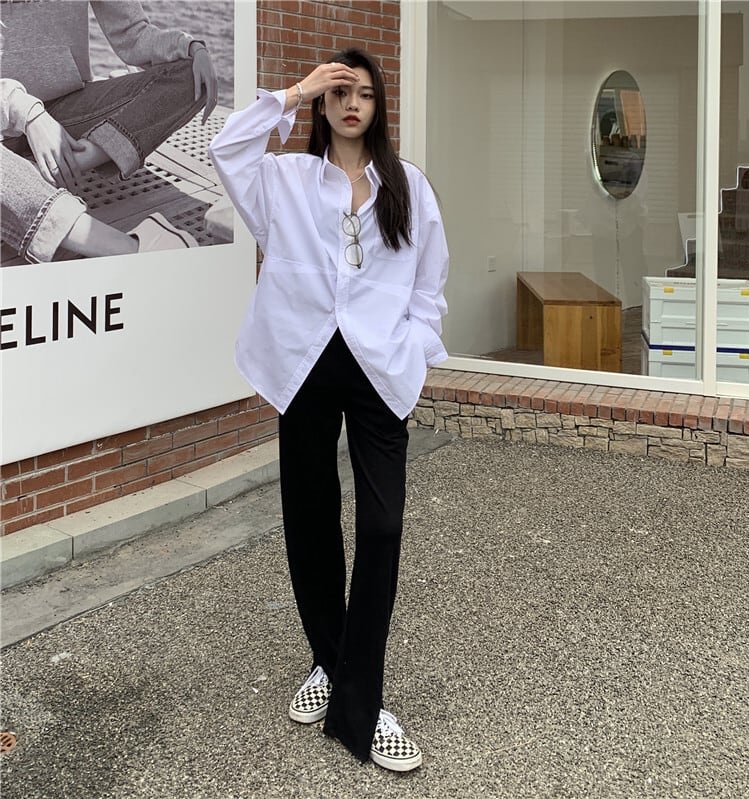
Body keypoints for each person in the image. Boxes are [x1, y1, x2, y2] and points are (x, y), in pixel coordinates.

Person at [208, 49, 449, 772]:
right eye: (338, 92)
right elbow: (226, 147)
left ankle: (358, 702)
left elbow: (430, 285)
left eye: (363, 93)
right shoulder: (285, 179)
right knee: (311, 520)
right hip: (305, 361)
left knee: (381, 524)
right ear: (323, 103)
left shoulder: (408, 187)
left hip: (378, 367)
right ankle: (332, 664)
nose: (350, 104)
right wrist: (294, 90)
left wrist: (416, 350)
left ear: (379, 107)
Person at [0, 0, 218, 264]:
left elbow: (133, 34)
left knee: (191, 73)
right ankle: (131, 249)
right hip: (6, 119)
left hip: (67, 108)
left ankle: (59, 166)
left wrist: (191, 48)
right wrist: (28, 113)